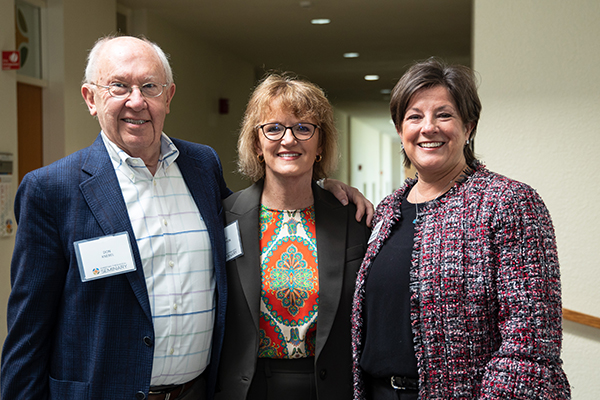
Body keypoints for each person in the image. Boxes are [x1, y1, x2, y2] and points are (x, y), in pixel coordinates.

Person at [0, 35, 371, 400]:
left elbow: (263, 210)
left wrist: (328, 189)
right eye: (118, 87)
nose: (136, 101)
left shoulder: (200, 167)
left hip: (197, 391)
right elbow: (28, 332)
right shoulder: (51, 190)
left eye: (149, 86)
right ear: (90, 98)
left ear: (168, 96)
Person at [351, 58, 571, 399]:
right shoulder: (388, 210)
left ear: (468, 127)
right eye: (414, 116)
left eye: (444, 114)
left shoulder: (508, 202)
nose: (428, 127)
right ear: (400, 130)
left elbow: (529, 341)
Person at [215, 73, 370, 400]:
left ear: (320, 144)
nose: (289, 140)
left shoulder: (352, 220)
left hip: (329, 388)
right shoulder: (224, 216)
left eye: (303, 128)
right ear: (257, 144)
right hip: (248, 388)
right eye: (273, 128)